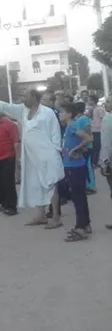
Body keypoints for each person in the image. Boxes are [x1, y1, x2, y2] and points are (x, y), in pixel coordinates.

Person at [0, 88, 64, 226]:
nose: (22, 99)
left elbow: (56, 134)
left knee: (50, 184)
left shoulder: (47, 113)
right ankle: (40, 216)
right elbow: (7, 107)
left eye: (25, 96)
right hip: (30, 157)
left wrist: (55, 153)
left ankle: (56, 217)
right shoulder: (23, 110)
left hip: (46, 155)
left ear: (34, 97)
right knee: (36, 185)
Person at [59, 102, 93, 241]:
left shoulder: (72, 126)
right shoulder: (68, 127)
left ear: (69, 114)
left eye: (62, 112)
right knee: (80, 196)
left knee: (77, 197)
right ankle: (85, 224)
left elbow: (88, 138)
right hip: (73, 165)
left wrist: (75, 149)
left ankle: (80, 228)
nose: (60, 114)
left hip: (75, 166)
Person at [74, 101, 96, 194]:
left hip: (86, 146)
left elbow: (88, 131)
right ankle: (87, 185)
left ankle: (90, 186)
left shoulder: (83, 119)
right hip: (83, 145)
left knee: (87, 166)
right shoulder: (80, 119)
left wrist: (85, 144)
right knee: (85, 166)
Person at [98, 95, 112, 230]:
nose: (105, 104)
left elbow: (106, 143)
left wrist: (104, 161)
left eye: (108, 102)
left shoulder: (108, 119)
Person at [91, 94, 105, 167]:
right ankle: (95, 161)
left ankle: (96, 162)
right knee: (94, 146)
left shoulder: (99, 109)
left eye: (90, 100)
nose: (89, 101)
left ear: (93, 101)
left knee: (97, 147)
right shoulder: (93, 109)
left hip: (98, 130)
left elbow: (103, 119)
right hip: (93, 130)